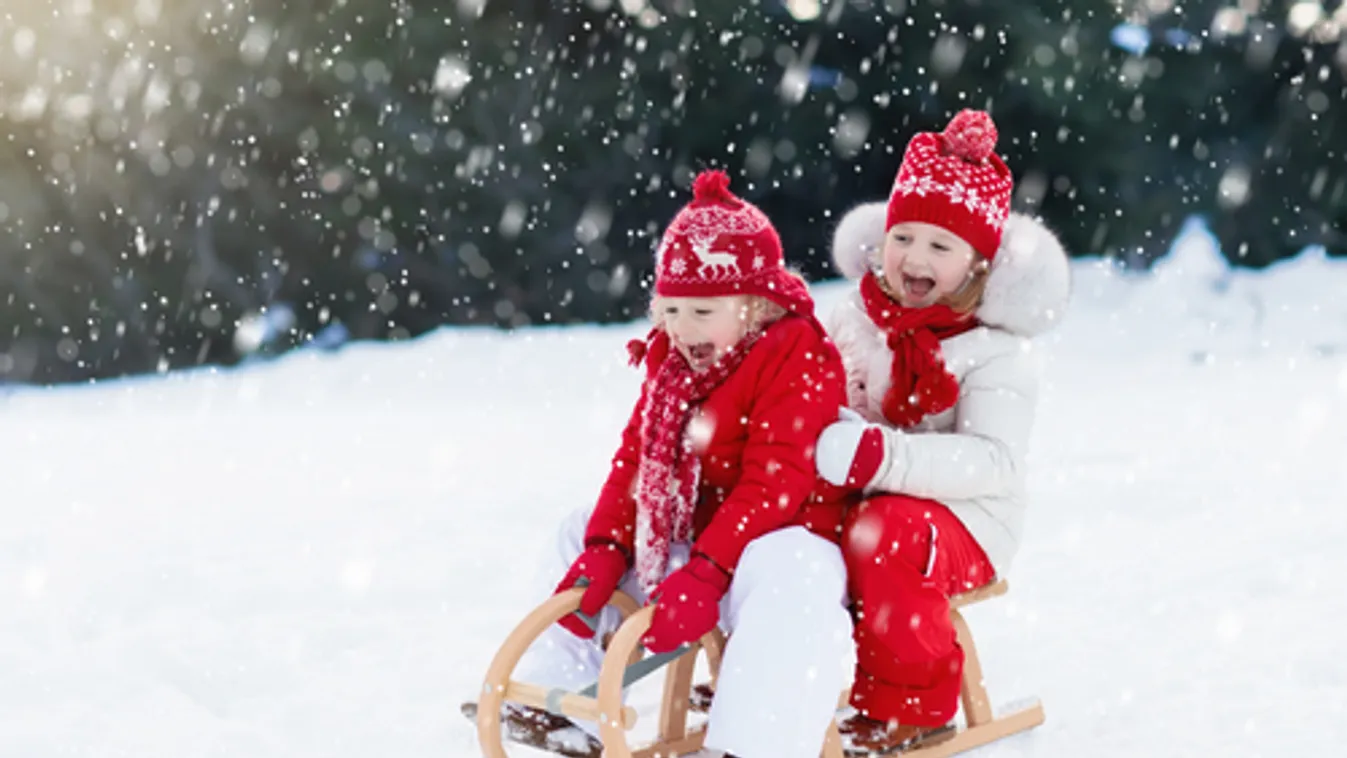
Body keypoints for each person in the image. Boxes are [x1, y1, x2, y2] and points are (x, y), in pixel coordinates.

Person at [496, 169, 856, 758]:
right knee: (577, 528)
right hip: (700, 551)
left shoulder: (795, 352)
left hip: (775, 543)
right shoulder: (674, 365)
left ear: (756, 304)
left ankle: (752, 743)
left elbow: (777, 482)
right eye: (671, 310)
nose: (681, 329)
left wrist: (711, 571)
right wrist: (609, 547)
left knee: (798, 570)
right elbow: (636, 459)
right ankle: (558, 699)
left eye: (702, 311)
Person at [813, 109, 1071, 754]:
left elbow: (992, 462)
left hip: (968, 520)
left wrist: (879, 455)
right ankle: (780, 667)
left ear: (978, 264)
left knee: (887, 534)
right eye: (903, 237)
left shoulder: (996, 351)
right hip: (867, 495)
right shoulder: (857, 317)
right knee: (781, 524)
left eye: (940, 246)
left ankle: (911, 708)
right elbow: (823, 395)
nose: (913, 258)